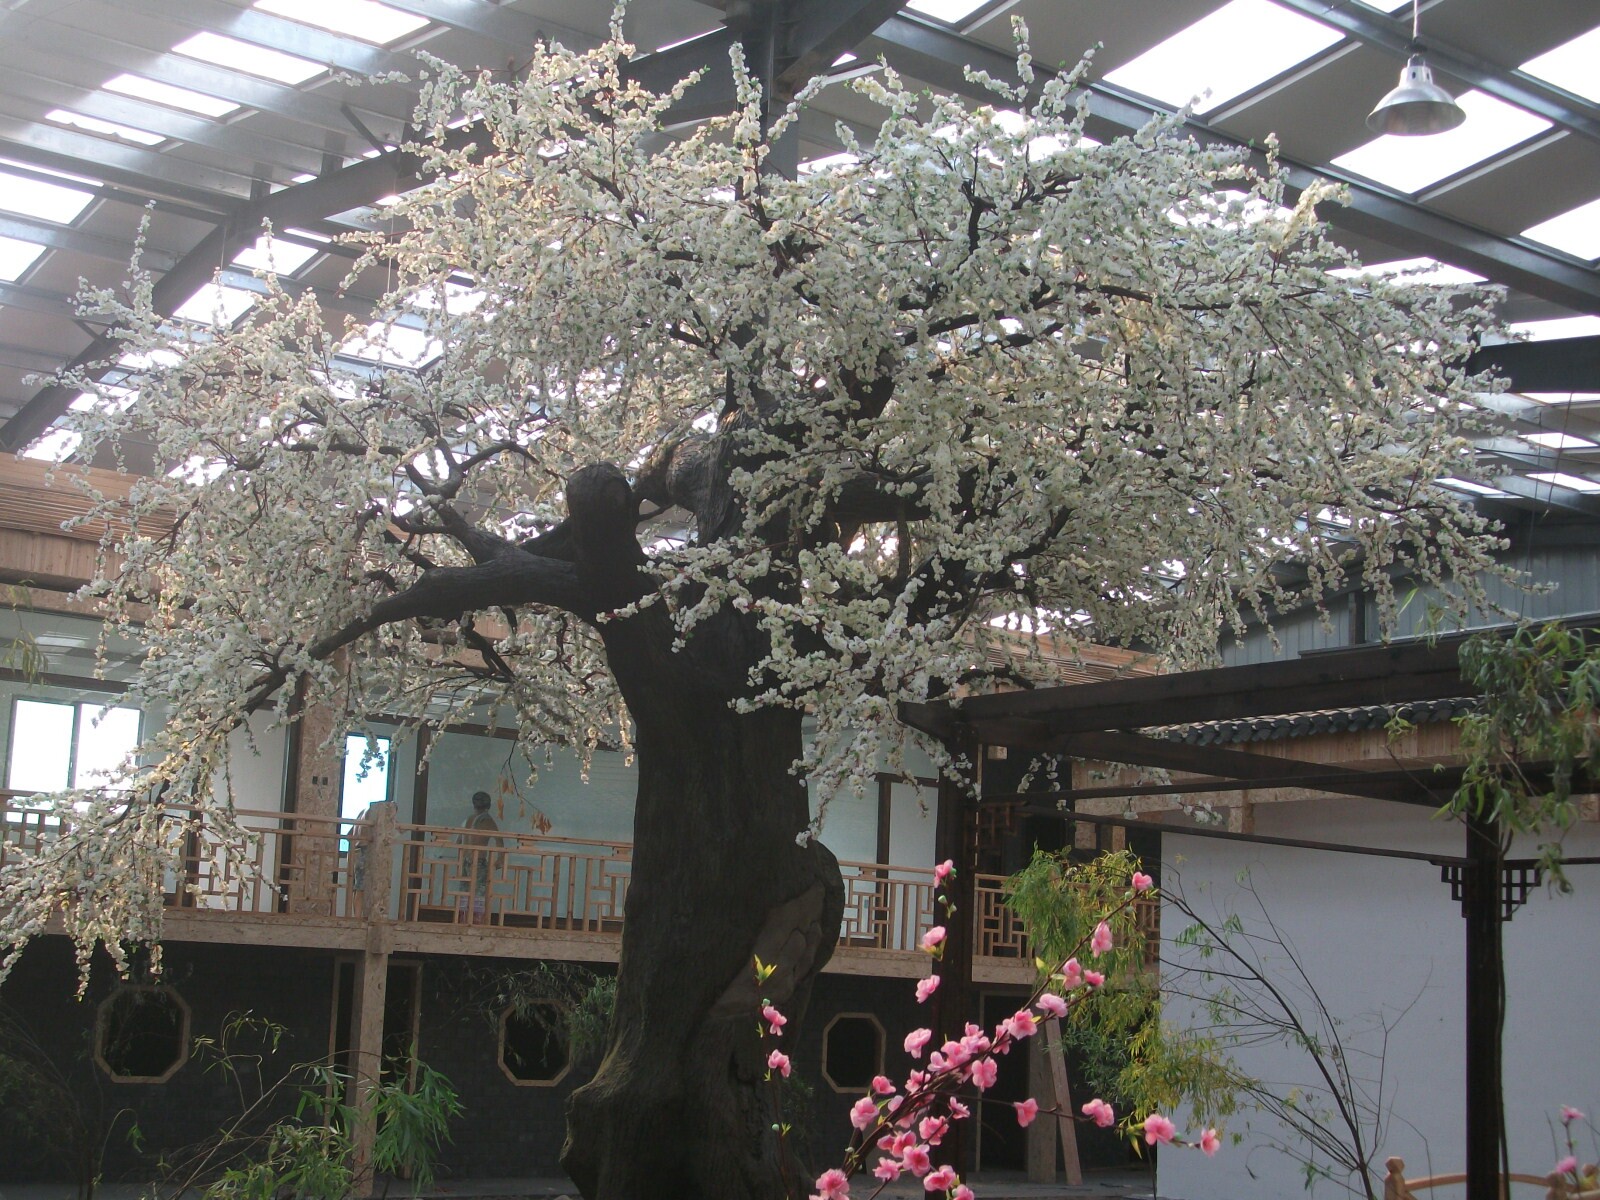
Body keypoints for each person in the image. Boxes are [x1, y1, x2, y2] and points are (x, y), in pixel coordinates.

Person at [457, 790, 502, 923]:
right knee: (479, 894)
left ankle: (462, 920)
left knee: (464, 892)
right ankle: (476, 921)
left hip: (465, 861)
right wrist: (499, 860)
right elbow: (499, 841)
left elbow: (458, 841)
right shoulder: (488, 820)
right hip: (479, 861)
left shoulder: (467, 820)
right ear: (489, 805)